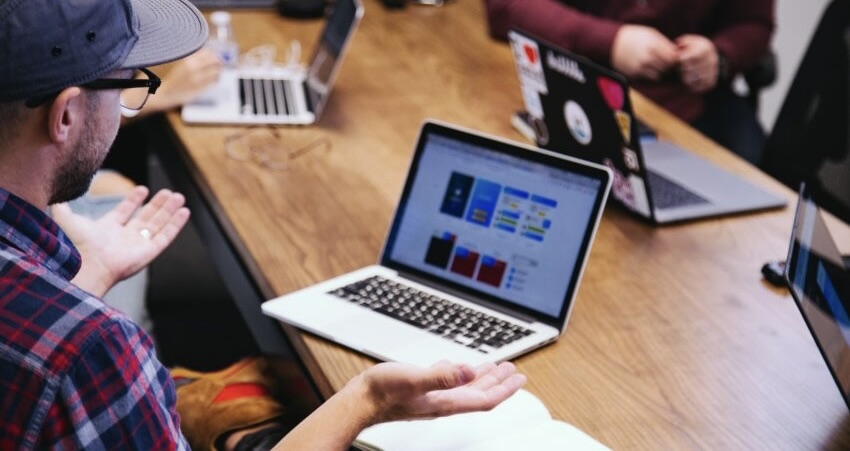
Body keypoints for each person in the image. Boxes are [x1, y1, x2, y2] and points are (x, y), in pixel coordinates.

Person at [0, 0, 526, 450]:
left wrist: (84, 281)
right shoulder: (92, 356)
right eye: (125, 86)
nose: (123, 107)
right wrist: (368, 399)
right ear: (64, 116)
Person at [483, 0, 775, 165]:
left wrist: (720, 55)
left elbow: (754, 23)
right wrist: (611, 41)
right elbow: (504, 6)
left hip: (690, 110)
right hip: (575, 82)